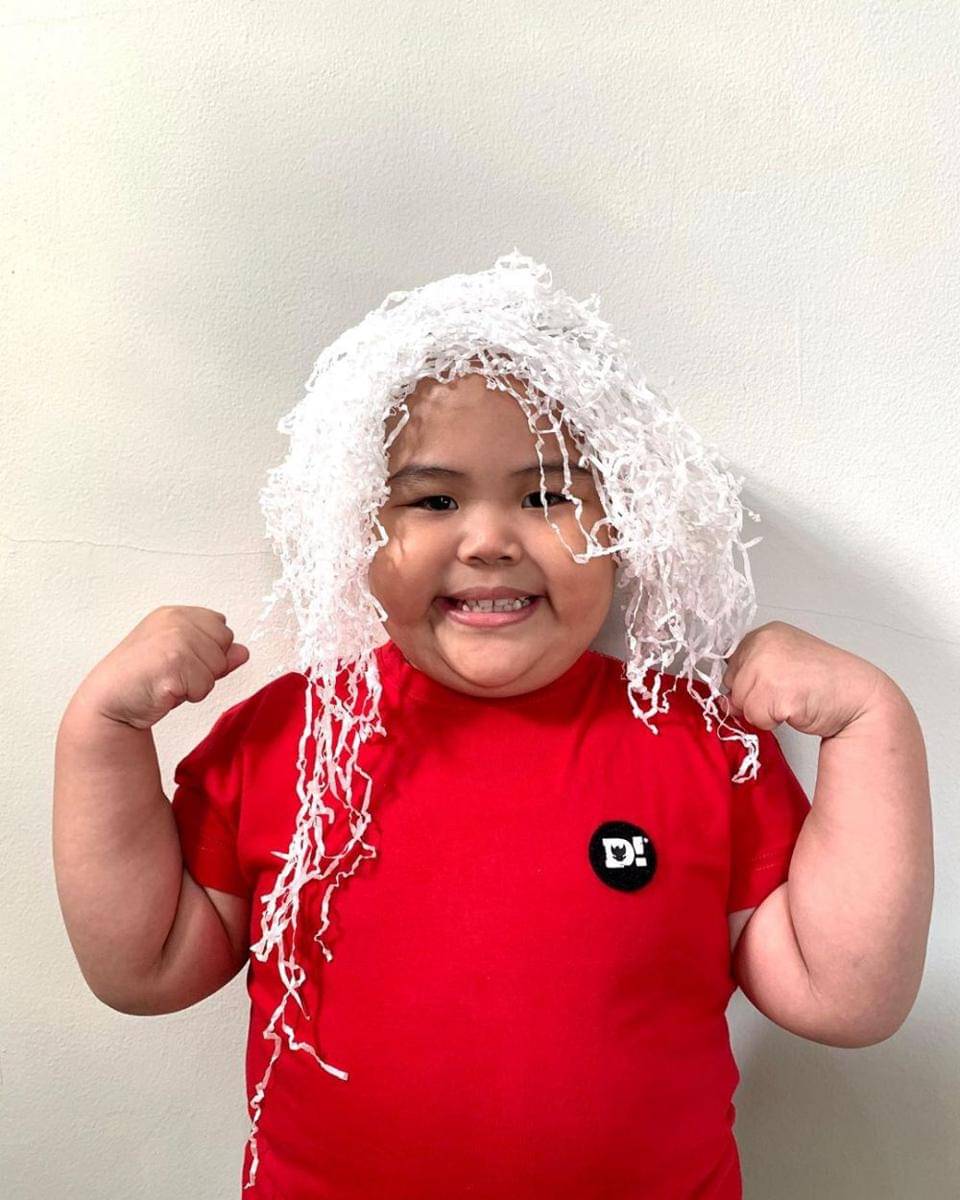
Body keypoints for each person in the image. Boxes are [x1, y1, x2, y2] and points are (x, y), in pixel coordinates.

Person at [52, 253, 933, 1199]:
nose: (487, 541)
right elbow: (147, 970)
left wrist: (870, 724)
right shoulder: (296, 739)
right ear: (358, 528)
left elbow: (843, 999)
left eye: (547, 496)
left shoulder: (699, 743)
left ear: (623, 523)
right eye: (432, 500)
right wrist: (100, 734)